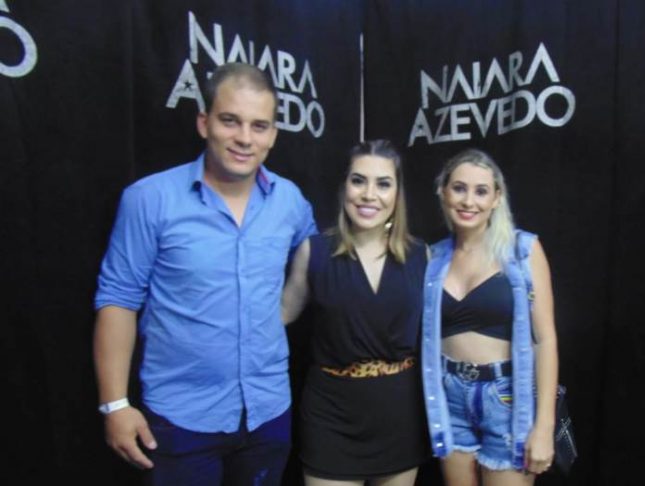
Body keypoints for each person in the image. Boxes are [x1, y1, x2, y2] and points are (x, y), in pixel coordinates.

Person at [93, 62, 316, 486]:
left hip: (268, 412)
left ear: (273, 134)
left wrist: (281, 314)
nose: (245, 138)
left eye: (259, 125)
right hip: (181, 419)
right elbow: (118, 299)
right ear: (204, 123)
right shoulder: (149, 199)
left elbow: (314, 257)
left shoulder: (289, 200)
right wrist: (115, 404)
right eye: (230, 120)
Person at [281, 140, 429, 486]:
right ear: (344, 186)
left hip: (400, 419)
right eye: (358, 180)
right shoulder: (313, 252)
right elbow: (279, 317)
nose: (369, 194)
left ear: (397, 194)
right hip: (331, 419)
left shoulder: (422, 256)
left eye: (383, 184)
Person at [421, 149, 558, 486]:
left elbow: (545, 340)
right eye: (459, 188)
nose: (469, 201)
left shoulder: (523, 250)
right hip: (449, 395)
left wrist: (544, 426)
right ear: (443, 192)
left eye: (481, 191)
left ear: (497, 198)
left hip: (507, 398)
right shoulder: (432, 257)